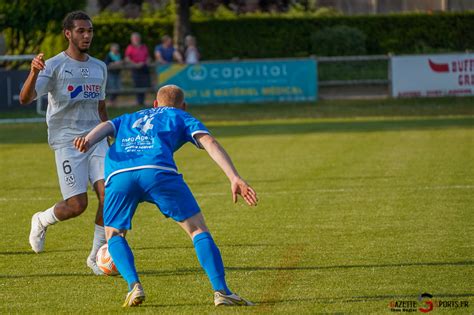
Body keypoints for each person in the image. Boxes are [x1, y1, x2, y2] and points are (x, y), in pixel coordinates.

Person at [73, 85, 258, 307]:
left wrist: (88, 139)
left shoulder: (131, 116)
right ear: (184, 105)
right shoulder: (180, 115)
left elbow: (106, 126)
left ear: (155, 104)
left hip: (119, 174)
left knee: (114, 235)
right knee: (197, 229)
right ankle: (222, 291)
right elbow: (209, 142)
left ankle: (134, 286)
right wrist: (234, 177)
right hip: (157, 171)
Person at [19, 11, 109, 275]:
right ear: (68, 33)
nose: (87, 35)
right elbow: (25, 98)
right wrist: (34, 72)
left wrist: (108, 134)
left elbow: (101, 107)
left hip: (95, 138)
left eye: (90, 30)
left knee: (109, 193)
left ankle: (95, 256)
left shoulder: (99, 67)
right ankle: (41, 219)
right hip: (67, 142)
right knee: (76, 206)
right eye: (81, 30)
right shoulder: (54, 66)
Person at [124, 33, 151, 107]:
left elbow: (148, 57)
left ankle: (142, 101)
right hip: (135, 69)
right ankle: (139, 101)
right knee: (137, 84)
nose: (136, 40)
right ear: (132, 40)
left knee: (144, 84)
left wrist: (145, 62)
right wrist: (135, 64)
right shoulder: (130, 47)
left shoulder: (144, 46)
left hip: (144, 68)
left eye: (137, 38)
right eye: (134, 38)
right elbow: (127, 58)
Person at [104, 43, 122, 107]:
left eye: (117, 49)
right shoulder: (109, 55)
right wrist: (115, 63)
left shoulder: (119, 55)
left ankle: (114, 101)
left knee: (118, 87)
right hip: (111, 74)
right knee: (112, 87)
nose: (116, 50)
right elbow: (106, 64)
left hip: (117, 73)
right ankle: (111, 101)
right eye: (115, 49)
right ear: (112, 49)